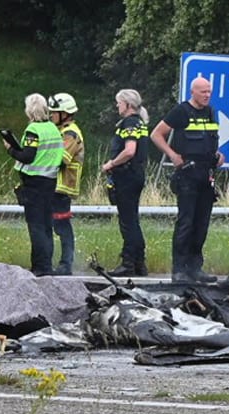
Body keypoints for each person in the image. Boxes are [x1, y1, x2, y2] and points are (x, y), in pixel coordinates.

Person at [151, 77, 223, 283]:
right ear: (193, 92)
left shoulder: (210, 112)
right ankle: (179, 268)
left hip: (206, 174)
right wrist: (172, 155)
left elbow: (210, 140)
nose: (207, 95)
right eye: (203, 92)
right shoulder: (181, 111)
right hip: (188, 175)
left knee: (202, 223)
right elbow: (156, 134)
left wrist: (218, 156)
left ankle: (195, 267)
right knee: (186, 222)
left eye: (209, 91)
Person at [4, 93, 63, 276]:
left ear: (29, 110)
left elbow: (27, 157)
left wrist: (10, 150)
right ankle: (46, 265)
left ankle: (41, 267)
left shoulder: (33, 130)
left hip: (34, 182)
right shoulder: (53, 128)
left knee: (36, 226)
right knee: (46, 225)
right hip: (50, 180)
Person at [101, 89, 150, 277]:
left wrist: (111, 164)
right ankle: (139, 262)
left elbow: (129, 150)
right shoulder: (139, 122)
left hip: (127, 175)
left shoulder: (129, 123)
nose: (117, 106)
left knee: (127, 221)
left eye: (119, 102)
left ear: (128, 105)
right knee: (133, 219)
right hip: (136, 174)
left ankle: (128, 263)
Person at [48, 92, 84, 275]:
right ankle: (61, 263)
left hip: (63, 186)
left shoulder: (70, 133)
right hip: (55, 185)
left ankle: (66, 264)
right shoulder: (61, 131)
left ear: (65, 113)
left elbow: (61, 159)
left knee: (62, 225)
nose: (51, 115)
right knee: (54, 224)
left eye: (54, 112)